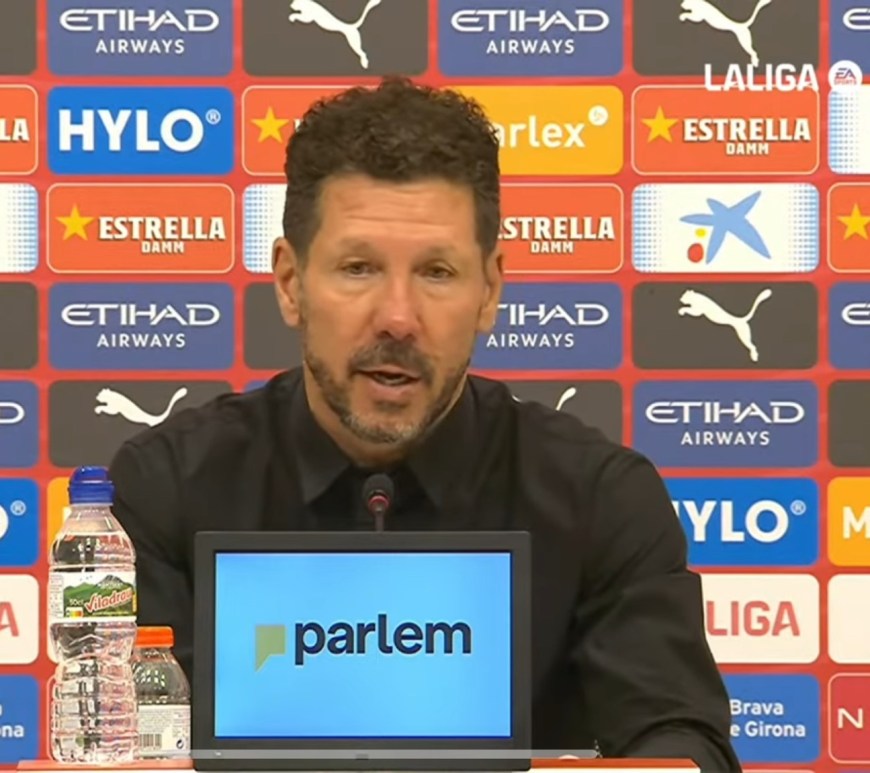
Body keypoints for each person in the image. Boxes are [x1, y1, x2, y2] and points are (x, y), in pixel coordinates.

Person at [108, 76, 740, 772]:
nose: (398, 318)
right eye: (358, 268)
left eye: (437, 272)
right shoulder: (163, 488)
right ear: (290, 283)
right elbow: (120, 751)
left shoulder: (599, 497)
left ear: (489, 291)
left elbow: (681, 743)